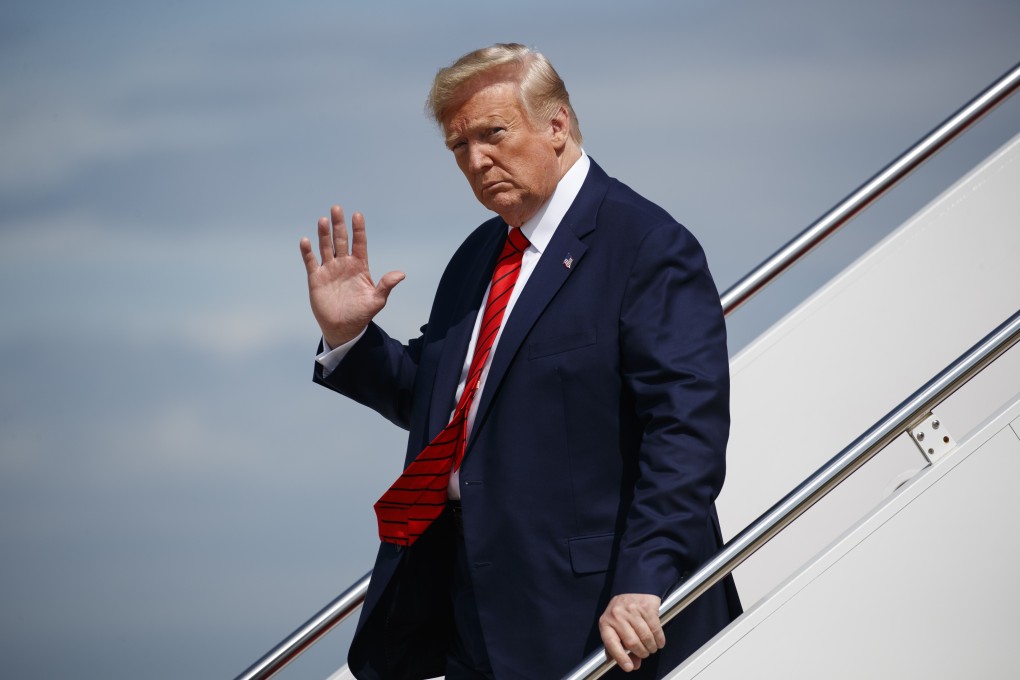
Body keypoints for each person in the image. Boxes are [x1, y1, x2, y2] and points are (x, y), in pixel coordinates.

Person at [300, 43, 741, 680]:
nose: (477, 161)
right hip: (471, 607)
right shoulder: (478, 255)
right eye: (459, 147)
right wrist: (349, 338)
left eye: (493, 134)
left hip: (594, 614)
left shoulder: (646, 244)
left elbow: (686, 430)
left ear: (556, 125)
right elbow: (442, 406)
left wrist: (646, 580)